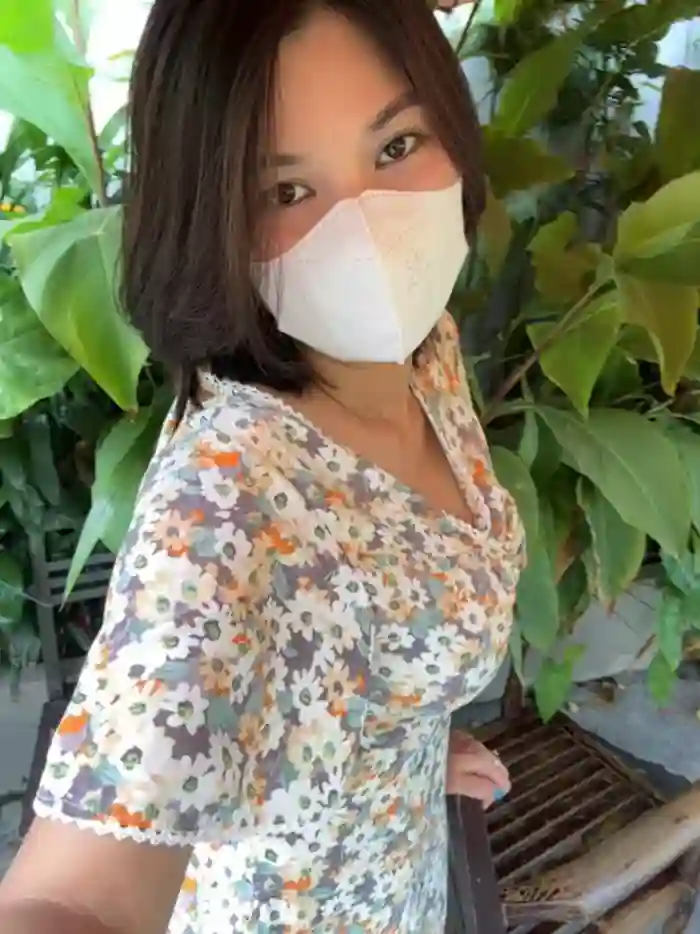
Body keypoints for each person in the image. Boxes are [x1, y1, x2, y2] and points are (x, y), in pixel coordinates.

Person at [0, 1, 525, 932]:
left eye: (397, 145)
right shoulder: (227, 508)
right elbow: (73, 896)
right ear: (212, 225)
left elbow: (375, 620)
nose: (369, 232)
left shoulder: (422, 348)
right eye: (286, 192)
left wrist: (395, 734)